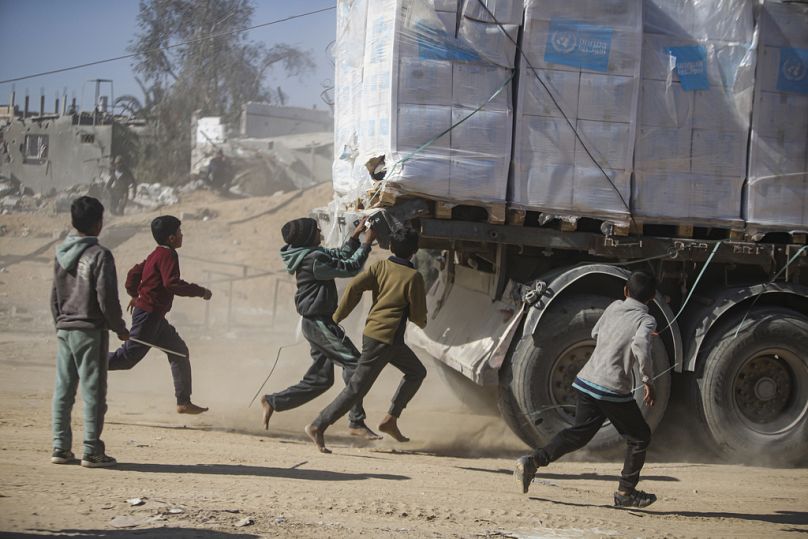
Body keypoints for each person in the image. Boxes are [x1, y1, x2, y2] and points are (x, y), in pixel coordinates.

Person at [514, 271, 659, 508]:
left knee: (578, 434)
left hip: (586, 380)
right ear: (652, 297)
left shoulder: (614, 307)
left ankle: (533, 461)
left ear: (625, 291)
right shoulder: (646, 320)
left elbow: (595, 333)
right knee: (640, 436)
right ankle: (625, 492)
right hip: (611, 388)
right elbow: (641, 344)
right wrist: (648, 381)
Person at [305, 227, 428, 454]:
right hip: (386, 340)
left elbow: (354, 286)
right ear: (415, 251)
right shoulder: (413, 277)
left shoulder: (380, 266)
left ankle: (391, 418)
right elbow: (419, 316)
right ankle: (318, 425)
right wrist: (421, 320)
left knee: (416, 371)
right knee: (356, 388)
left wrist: (339, 315)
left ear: (390, 247)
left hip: (378, 335)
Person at [261, 217, 380, 440]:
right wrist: (367, 244)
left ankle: (273, 401)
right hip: (319, 323)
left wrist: (355, 237)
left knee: (321, 380)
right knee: (355, 364)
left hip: (317, 323)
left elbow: (339, 255)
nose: (320, 233)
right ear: (308, 236)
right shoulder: (313, 260)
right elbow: (350, 267)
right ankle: (355, 422)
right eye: (316, 230)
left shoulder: (310, 254)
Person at [50, 196, 129, 468]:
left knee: (63, 390)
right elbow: (107, 297)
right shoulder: (100, 255)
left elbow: (54, 297)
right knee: (93, 393)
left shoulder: (60, 254)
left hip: (65, 328)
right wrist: (120, 328)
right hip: (90, 330)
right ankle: (92, 450)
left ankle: (60, 447)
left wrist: (60, 324)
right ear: (98, 223)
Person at [108, 215, 212, 414]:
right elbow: (171, 283)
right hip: (148, 316)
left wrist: (135, 294)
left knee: (179, 351)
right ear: (171, 238)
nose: (182, 235)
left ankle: (183, 402)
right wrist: (201, 291)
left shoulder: (155, 254)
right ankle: (87, 362)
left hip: (155, 317)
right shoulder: (168, 255)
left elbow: (133, 275)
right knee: (127, 358)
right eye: (180, 232)